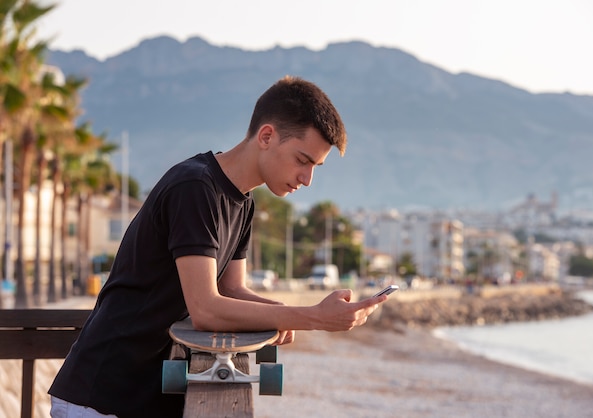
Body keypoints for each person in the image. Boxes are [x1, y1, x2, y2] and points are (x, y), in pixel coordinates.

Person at [49, 76, 387, 418]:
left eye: (315, 166)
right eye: (302, 160)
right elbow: (207, 309)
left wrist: (294, 311)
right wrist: (313, 318)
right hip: (101, 397)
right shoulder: (195, 187)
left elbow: (233, 289)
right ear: (267, 136)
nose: (307, 178)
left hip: (142, 398)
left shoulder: (244, 202)